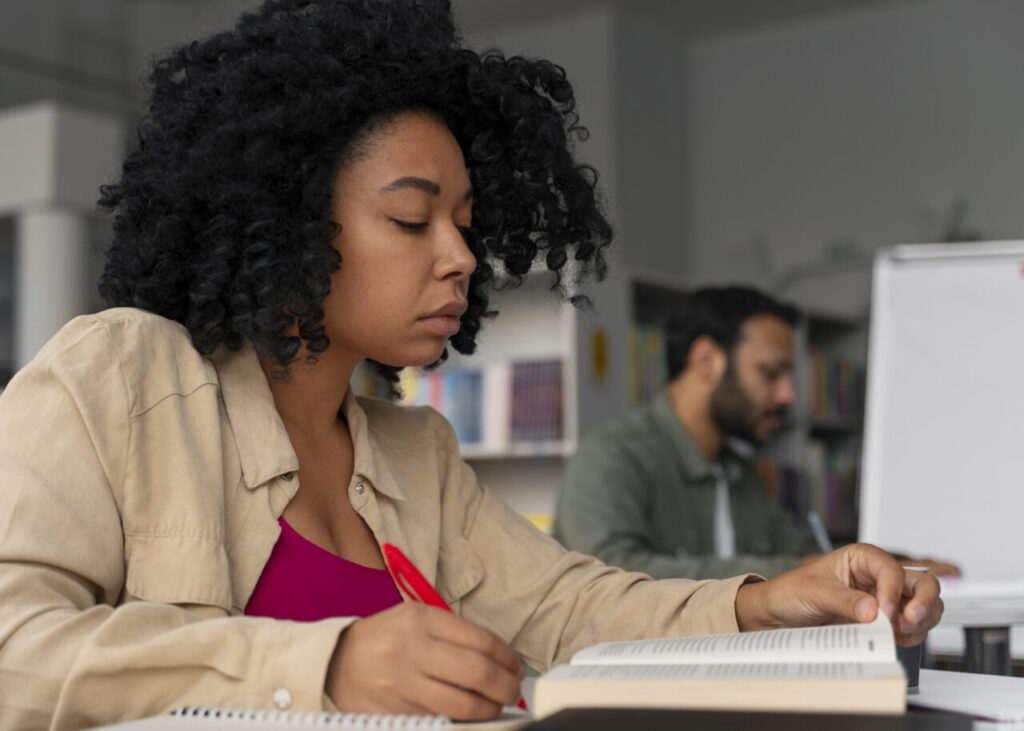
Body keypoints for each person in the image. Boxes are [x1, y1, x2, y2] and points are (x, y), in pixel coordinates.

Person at [0, 3, 941, 730]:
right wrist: (323, 668)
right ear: (284, 220)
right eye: (412, 219)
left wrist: (766, 603)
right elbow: (13, 649)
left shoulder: (417, 451)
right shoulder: (121, 373)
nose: (458, 254)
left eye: (464, 221)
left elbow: (572, 608)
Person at [553, 286, 960, 579]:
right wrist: (808, 570)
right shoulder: (609, 457)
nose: (788, 394)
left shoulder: (738, 471)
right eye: (771, 373)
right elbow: (609, 582)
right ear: (706, 359)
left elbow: (800, 551)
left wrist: (890, 563)